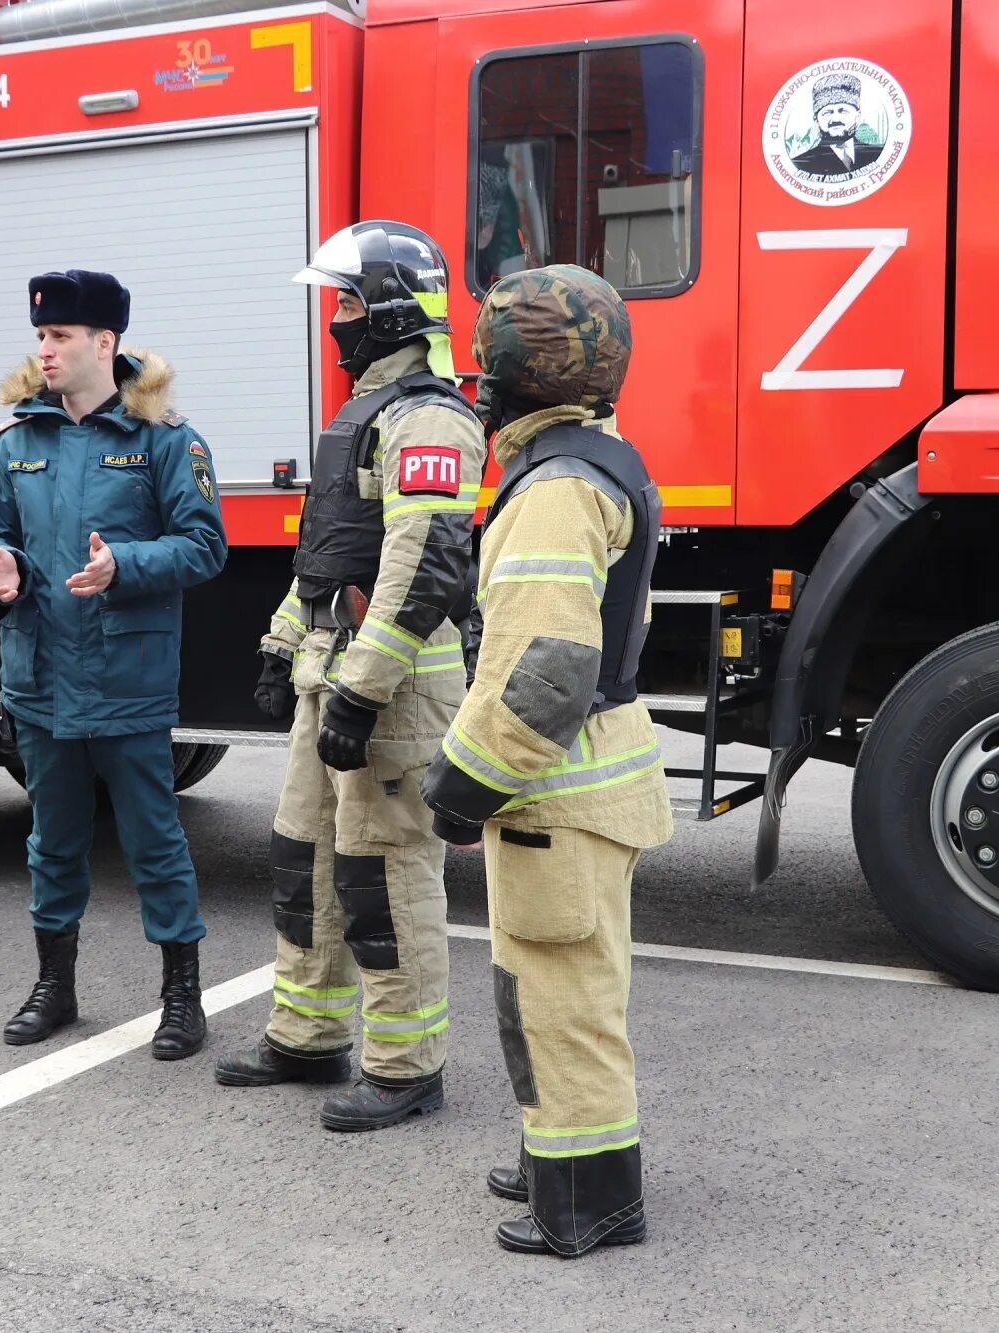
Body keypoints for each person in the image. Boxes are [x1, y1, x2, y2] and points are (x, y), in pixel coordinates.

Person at [419, 264, 672, 1256]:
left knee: (558, 999)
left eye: (485, 356)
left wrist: (459, 786)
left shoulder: (552, 488)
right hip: (590, 780)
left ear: (513, 369)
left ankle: (588, 1202)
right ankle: (553, 1157)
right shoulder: (596, 457)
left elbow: (542, 673)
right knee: (559, 987)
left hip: (550, 792)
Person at [216, 220, 484, 1132]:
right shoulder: (362, 418)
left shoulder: (431, 417)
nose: (336, 319)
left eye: (348, 302)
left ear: (392, 312)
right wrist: (280, 641)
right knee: (305, 857)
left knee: (385, 873)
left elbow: (425, 564)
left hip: (396, 688)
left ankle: (407, 1066)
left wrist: (364, 688)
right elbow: (332, 563)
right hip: (331, 673)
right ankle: (306, 1034)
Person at [0, 268, 226, 1061]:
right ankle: (56, 985)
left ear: (104, 344)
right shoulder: (17, 443)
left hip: (126, 681)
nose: (45, 349)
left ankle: (182, 995)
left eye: (61, 336)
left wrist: (127, 565)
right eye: (41, 336)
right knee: (52, 840)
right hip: (41, 679)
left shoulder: (166, 440)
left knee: (153, 842)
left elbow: (206, 544)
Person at [788, 72, 881, 179]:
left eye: (843, 111)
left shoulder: (877, 155)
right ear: (816, 121)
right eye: (828, 112)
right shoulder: (801, 165)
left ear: (858, 116)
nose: (835, 119)